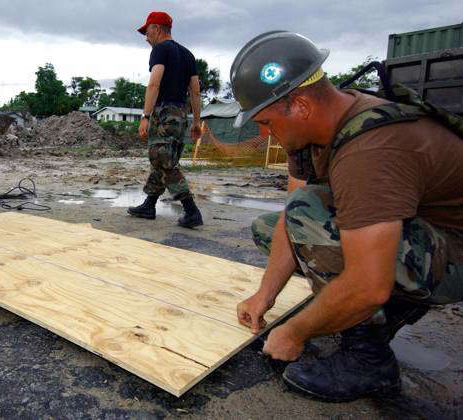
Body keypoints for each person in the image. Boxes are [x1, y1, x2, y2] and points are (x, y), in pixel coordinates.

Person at [231, 31, 463, 402]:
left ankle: (369, 360)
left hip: (456, 253)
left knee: (356, 272)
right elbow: (294, 221)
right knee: (275, 226)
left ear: (301, 107)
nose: (264, 133)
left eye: (266, 122)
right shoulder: (310, 133)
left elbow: (369, 284)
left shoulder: (370, 150)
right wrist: (265, 296)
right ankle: (379, 313)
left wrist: (295, 332)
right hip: (420, 234)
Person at [128, 11, 204, 228]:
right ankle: (149, 205)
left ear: (157, 29)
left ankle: (191, 211)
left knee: (164, 161)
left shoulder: (161, 50)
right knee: (161, 160)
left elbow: (154, 84)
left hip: (163, 113)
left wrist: (145, 116)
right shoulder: (188, 54)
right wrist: (196, 120)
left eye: (147, 31)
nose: (146, 37)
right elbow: (195, 91)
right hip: (181, 113)